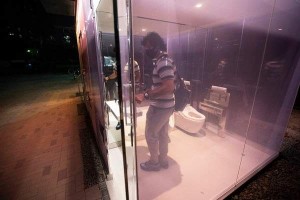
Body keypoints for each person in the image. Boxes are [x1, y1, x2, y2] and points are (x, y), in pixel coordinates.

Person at [135, 32, 176, 171]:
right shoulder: (164, 60)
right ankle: (163, 160)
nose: (147, 50)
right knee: (163, 133)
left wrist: (147, 95)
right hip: (166, 106)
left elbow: (169, 87)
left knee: (151, 134)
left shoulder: (163, 62)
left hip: (160, 107)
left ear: (156, 46)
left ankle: (154, 162)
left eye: (148, 47)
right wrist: (149, 91)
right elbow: (164, 84)